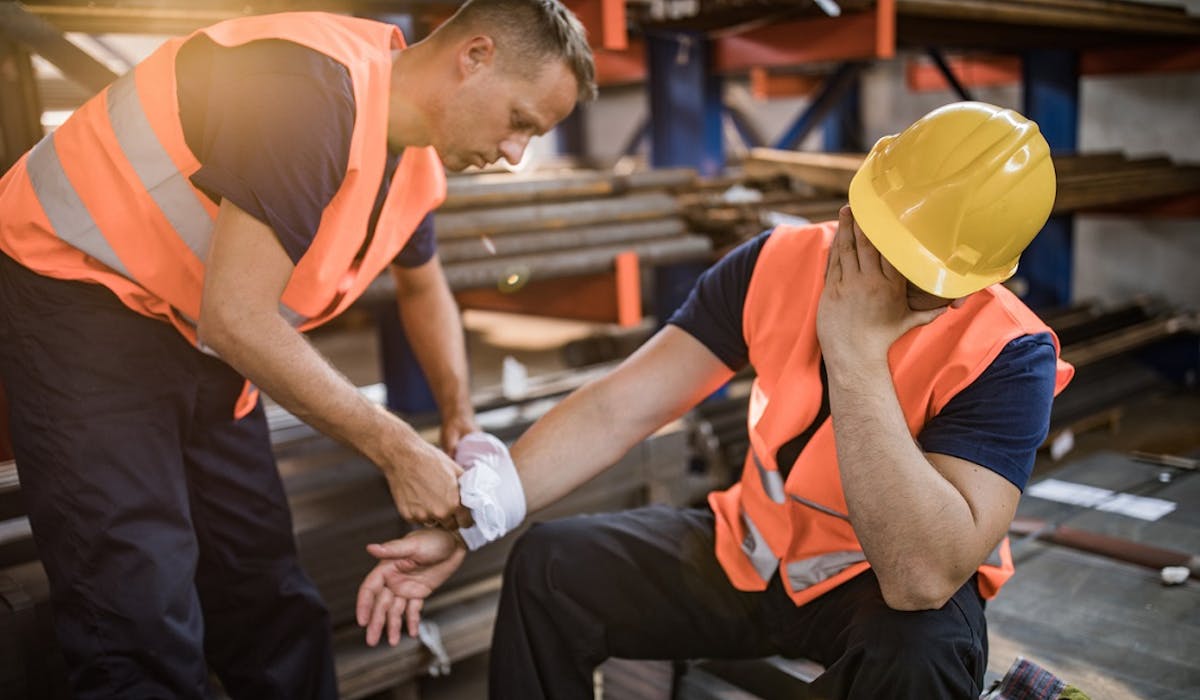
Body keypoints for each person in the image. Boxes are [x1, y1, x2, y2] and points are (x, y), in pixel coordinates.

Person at [356, 101, 1075, 699]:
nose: (881, 274)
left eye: (916, 272)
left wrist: (854, 351)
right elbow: (620, 407)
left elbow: (921, 576)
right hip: (747, 555)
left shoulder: (1009, 354)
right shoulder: (775, 264)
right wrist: (470, 520)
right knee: (549, 566)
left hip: (872, 593)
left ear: (973, 282)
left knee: (923, 656)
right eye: (875, 238)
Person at [0, 1, 595, 696]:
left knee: (265, 584)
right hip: (81, 290)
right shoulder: (310, 86)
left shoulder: (412, 161)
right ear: (475, 57)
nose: (516, 154)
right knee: (137, 601)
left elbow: (422, 289)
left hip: (200, 330)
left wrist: (458, 418)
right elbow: (238, 316)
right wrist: (398, 449)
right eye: (521, 121)